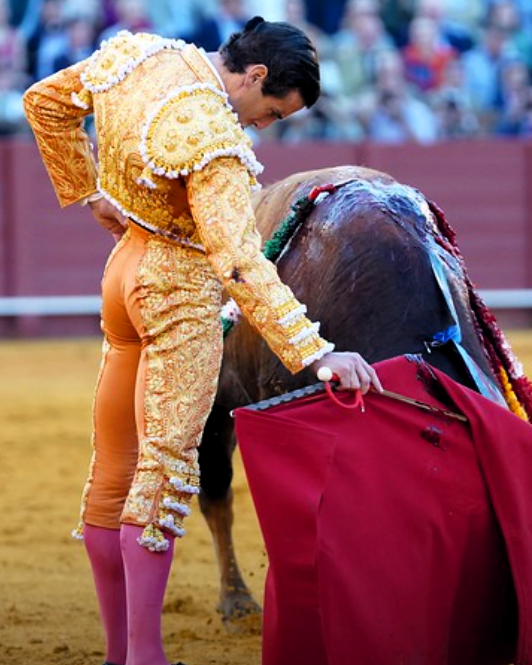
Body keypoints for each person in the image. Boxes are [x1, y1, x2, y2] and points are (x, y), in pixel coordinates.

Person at [23, 16, 381, 665]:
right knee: (159, 481)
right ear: (255, 76)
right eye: (271, 111)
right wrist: (315, 351)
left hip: (123, 273)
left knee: (111, 474)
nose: (264, 127)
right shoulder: (215, 138)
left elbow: (43, 102)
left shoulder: (140, 51)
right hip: (177, 294)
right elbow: (239, 262)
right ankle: (146, 656)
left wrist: (86, 194)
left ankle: (118, 654)